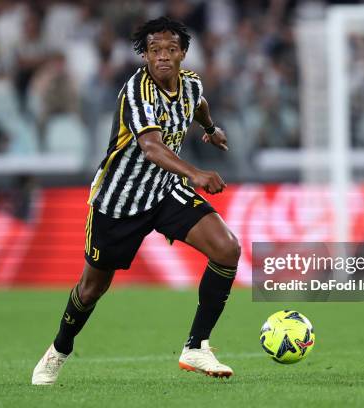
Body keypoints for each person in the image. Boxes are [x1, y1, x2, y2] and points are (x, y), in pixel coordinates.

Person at [32, 17, 240, 384]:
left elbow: (199, 103)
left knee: (227, 249)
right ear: (144, 55)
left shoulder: (191, 85)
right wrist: (196, 173)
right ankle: (59, 349)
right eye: (154, 50)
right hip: (119, 201)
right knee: (92, 288)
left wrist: (210, 129)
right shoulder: (136, 91)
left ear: (183, 54)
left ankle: (196, 346)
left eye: (171, 50)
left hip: (164, 191)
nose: (163, 57)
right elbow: (150, 146)